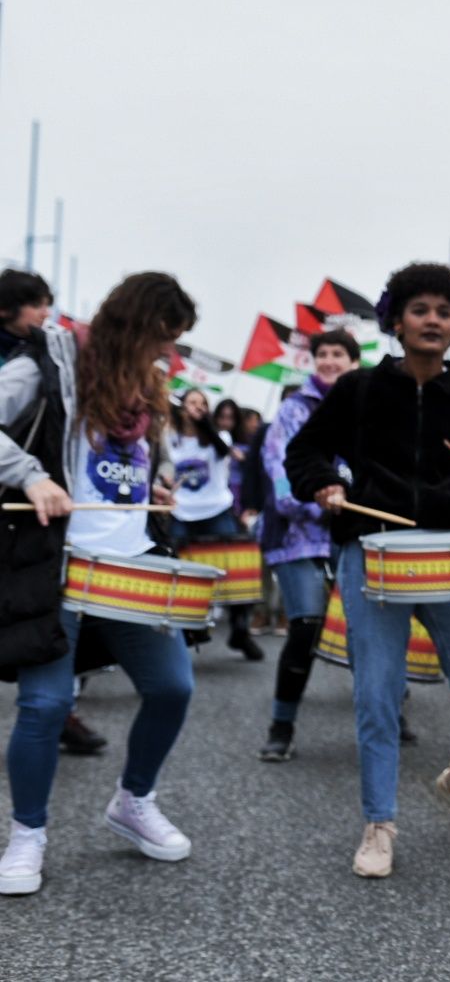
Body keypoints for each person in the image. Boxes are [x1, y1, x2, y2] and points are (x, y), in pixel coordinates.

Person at [286, 262, 450, 878]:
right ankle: (380, 822)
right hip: (372, 551)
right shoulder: (359, 391)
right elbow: (304, 450)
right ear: (397, 321)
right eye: (420, 310)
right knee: (376, 694)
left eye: (444, 313)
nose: (433, 320)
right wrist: (322, 483)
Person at [0, 273, 198, 896]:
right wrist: (31, 477)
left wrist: (157, 485)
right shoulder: (53, 360)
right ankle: (26, 834)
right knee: (46, 705)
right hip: (58, 566)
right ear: (130, 326)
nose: (166, 353)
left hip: (131, 565)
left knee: (172, 688)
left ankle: (133, 802)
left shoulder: (149, 386)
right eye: (161, 338)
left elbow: (143, 460)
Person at [0, 270, 109, 757]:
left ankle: (56, 709)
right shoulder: (25, 364)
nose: (47, 315)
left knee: (33, 618)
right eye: (38, 305)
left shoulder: (51, 355)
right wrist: (28, 472)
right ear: (9, 308)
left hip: (24, 509)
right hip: (18, 492)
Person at [255, 329, 361, 760]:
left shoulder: (368, 408)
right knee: (305, 626)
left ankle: (388, 713)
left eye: (339, 353)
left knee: (370, 629)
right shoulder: (292, 410)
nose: (330, 360)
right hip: (300, 532)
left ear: (355, 362)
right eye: (322, 354)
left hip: (354, 530)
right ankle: (281, 726)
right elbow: (282, 473)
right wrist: (319, 498)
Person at [168, 387, 260, 660]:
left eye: (203, 403)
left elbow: (224, 451)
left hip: (217, 511)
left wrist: (203, 424)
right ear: (181, 407)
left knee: (238, 573)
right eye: (192, 402)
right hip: (181, 513)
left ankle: (240, 628)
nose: (197, 407)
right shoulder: (169, 438)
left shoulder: (218, 437)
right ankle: (185, 631)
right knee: (178, 573)